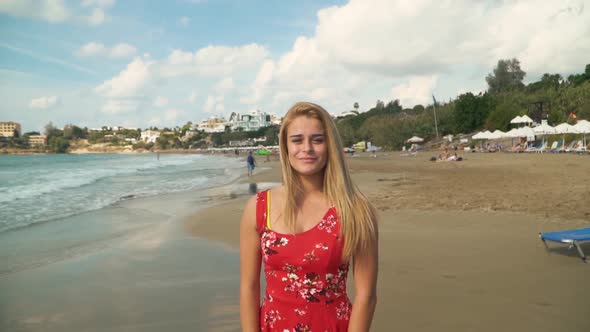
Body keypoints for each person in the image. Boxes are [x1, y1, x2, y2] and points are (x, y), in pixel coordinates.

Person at [240, 102, 379, 331]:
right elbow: (249, 287)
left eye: (317, 139)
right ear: (285, 147)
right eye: (297, 140)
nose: (307, 148)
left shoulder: (355, 210)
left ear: (330, 145)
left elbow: (366, 296)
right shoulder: (258, 208)